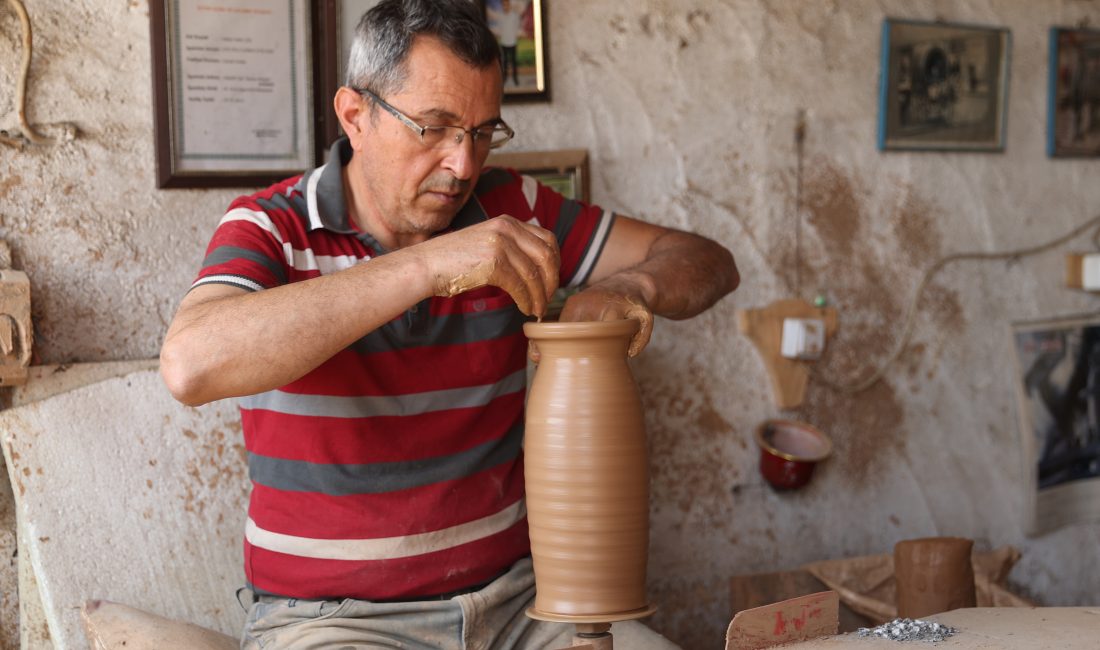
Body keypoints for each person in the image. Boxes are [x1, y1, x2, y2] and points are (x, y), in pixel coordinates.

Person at [159, 1, 738, 648]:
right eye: (432, 128)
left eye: (483, 132)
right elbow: (191, 365)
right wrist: (428, 267)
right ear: (356, 116)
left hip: (521, 604)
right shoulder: (274, 228)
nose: (464, 165)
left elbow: (705, 259)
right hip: (334, 621)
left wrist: (634, 287)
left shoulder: (510, 208)